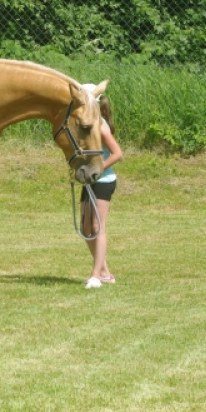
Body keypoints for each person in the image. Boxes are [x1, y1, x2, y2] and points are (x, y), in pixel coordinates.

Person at [82, 89, 123, 289]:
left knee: (98, 228)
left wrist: (97, 169)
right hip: (90, 180)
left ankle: (96, 275)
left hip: (103, 181)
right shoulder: (86, 124)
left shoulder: (102, 127)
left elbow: (117, 154)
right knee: (86, 229)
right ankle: (105, 272)